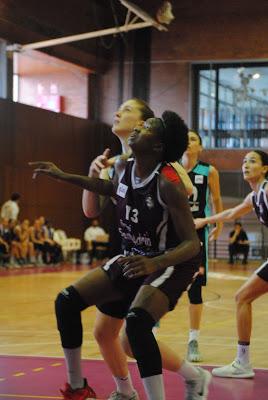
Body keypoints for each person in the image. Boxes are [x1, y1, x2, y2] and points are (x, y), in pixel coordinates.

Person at [30, 111, 211, 400]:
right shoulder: (125, 166)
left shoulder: (168, 181)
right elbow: (109, 188)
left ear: (158, 147)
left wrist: (154, 262)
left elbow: (192, 245)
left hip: (170, 260)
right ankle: (78, 389)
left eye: (146, 126)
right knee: (66, 302)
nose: (138, 127)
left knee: (137, 325)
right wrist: (63, 176)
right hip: (135, 256)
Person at [82, 98, 193, 400]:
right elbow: (91, 211)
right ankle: (125, 390)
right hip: (124, 257)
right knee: (104, 334)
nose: (118, 112)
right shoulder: (113, 165)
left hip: (155, 262)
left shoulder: (161, 166)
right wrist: (92, 177)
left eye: (127, 109)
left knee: (131, 339)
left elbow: (188, 190)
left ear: (145, 123)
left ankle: (193, 377)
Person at [195, 149, 268, 379]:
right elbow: (232, 213)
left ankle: (243, 362)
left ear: (265, 168)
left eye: (253, 161)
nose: (246, 165)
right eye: (244, 161)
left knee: (242, 297)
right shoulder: (254, 196)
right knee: (243, 297)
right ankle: (242, 362)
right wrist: (206, 220)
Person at [180, 130, 223, 362]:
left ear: (200, 147)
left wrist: (218, 222)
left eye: (194, 139)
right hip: (171, 232)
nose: (189, 141)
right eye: (186, 138)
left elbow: (216, 200)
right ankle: (151, 331)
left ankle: (193, 340)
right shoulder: (171, 168)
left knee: (195, 289)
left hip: (196, 232)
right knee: (156, 282)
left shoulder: (209, 171)